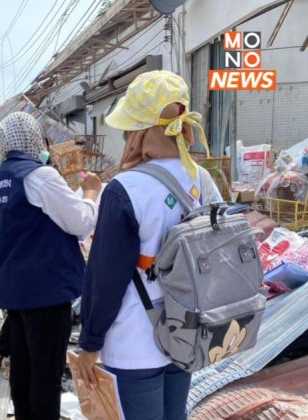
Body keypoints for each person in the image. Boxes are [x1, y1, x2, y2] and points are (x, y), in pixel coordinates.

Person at [77, 70, 222, 420]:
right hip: (185, 331)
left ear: (139, 132)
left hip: (134, 338)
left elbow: (106, 277)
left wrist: (89, 343)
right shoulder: (200, 177)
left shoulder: (124, 188)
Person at [0, 112, 101, 420]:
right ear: (33, 139)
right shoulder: (39, 175)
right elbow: (79, 222)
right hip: (45, 290)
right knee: (46, 373)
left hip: (17, 288)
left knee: (24, 367)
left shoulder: (5, 177)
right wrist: (92, 191)